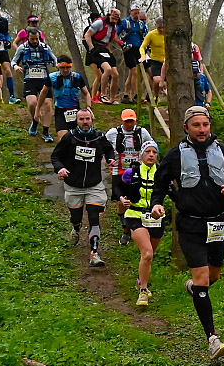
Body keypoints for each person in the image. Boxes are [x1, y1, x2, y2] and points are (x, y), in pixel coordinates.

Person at [150, 106, 224, 360]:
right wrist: (157, 204)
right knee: (203, 278)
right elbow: (159, 184)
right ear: (186, 128)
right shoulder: (176, 155)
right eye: (196, 125)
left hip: (218, 223)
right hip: (190, 224)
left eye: (205, 124)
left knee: (213, 276)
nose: (202, 129)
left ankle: (194, 288)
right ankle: (212, 339)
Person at [51, 108, 115, 267]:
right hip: (73, 185)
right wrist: (60, 168)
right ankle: (76, 228)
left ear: (92, 120)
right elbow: (55, 156)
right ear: (77, 121)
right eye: (81, 119)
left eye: (87, 119)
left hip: (94, 185)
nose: (85, 122)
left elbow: (108, 149)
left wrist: (110, 158)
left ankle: (94, 253)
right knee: (76, 218)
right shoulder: (70, 137)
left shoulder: (99, 136)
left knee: (94, 216)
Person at [120, 140, 163, 306]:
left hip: (156, 217)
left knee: (149, 256)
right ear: (142, 154)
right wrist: (122, 199)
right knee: (147, 253)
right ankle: (143, 291)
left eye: (154, 152)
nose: (151, 155)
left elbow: (173, 193)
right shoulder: (132, 172)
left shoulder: (162, 173)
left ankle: (140, 281)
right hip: (135, 215)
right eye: (148, 152)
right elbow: (118, 189)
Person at [105, 109, 154, 245]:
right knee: (120, 201)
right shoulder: (113, 133)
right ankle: (125, 230)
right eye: (127, 121)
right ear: (122, 121)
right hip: (119, 170)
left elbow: (151, 146)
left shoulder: (142, 132)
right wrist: (109, 157)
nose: (129, 124)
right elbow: (103, 146)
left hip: (136, 171)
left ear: (135, 121)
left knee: (136, 198)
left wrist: (144, 160)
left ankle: (139, 227)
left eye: (131, 121)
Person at [11, 28, 57, 142]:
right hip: (29, 80)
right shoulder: (22, 48)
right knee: (32, 103)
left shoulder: (45, 47)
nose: (35, 41)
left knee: (47, 104)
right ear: (28, 38)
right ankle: (35, 121)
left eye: (36, 39)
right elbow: (13, 61)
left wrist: (57, 65)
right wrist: (16, 67)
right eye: (32, 39)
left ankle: (46, 132)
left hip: (44, 80)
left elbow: (54, 59)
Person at [36, 55, 91, 140]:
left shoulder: (77, 77)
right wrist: (37, 109)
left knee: (79, 138)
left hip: (75, 110)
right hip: (60, 111)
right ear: (58, 67)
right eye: (62, 68)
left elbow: (86, 93)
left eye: (68, 67)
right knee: (63, 139)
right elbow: (43, 93)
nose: (65, 70)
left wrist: (88, 107)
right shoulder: (52, 77)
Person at [84, 8, 121, 104]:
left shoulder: (113, 27)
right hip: (96, 48)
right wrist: (91, 48)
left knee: (115, 74)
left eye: (116, 19)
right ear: (108, 16)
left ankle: (112, 98)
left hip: (105, 49)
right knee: (107, 70)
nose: (114, 21)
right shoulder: (99, 23)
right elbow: (87, 35)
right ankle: (102, 95)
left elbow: (109, 41)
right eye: (113, 18)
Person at [117, 4, 147, 104]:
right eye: (135, 13)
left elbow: (145, 35)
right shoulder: (124, 22)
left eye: (138, 13)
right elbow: (115, 35)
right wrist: (121, 44)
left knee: (132, 74)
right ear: (130, 12)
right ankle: (135, 95)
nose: (136, 15)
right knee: (134, 71)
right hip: (128, 49)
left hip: (138, 49)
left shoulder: (141, 24)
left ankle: (126, 95)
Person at [138, 17, 165, 104]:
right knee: (156, 80)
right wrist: (143, 56)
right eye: (159, 27)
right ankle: (156, 96)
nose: (161, 30)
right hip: (155, 60)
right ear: (156, 25)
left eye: (163, 27)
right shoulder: (151, 34)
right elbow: (142, 47)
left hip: (166, 61)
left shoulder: (168, 34)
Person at [81, 12, 103, 102]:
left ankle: (99, 95)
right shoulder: (88, 29)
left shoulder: (101, 30)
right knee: (99, 76)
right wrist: (92, 49)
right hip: (91, 56)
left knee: (105, 75)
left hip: (101, 55)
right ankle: (93, 97)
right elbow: (84, 41)